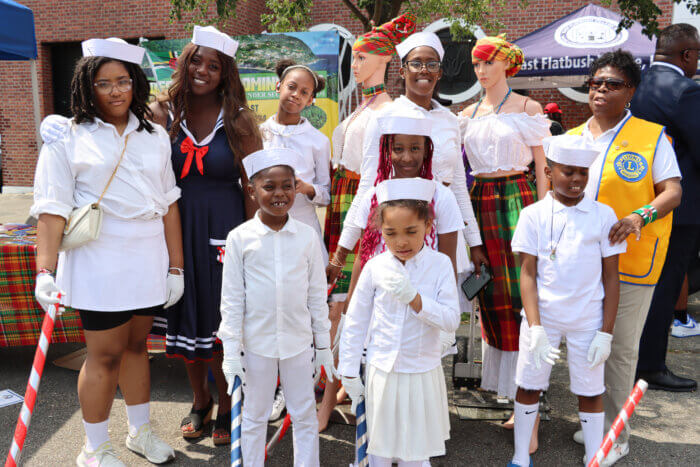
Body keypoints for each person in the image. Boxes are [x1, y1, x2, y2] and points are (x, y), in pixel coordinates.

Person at [38, 26, 263, 445]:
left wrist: (254, 243)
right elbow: (102, 128)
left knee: (221, 323)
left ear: (226, 73)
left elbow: (252, 187)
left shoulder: (238, 121)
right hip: (169, 235)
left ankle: (230, 405)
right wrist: (57, 123)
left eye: (214, 65)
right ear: (183, 62)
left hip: (218, 232)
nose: (202, 70)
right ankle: (199, 401)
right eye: (196, 60)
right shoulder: (161, 115)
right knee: (184, 323)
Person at [32, 38, 182, 466]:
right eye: (104, 83)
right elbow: (52, 209)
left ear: (135, 82)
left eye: (123, 81)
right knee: (105, 354)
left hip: (147, 256)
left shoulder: (153, 136)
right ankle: (94, 447)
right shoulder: (67, 136)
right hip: (99, 260)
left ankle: (140, 432)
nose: (116, 91)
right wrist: (46, 271)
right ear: (87, 87)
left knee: (138, 347)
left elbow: (169, 202)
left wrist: (176, 267)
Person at [567, 50, 682, 465]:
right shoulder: (574, 136)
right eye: (596, 82)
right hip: (582, 262)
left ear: (630, 91)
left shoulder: (652, 136)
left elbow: (672, 190)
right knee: (585, 344)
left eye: (612, 84)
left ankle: (616, 435)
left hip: (633, 260)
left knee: (617, 350)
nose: (600, 89)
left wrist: (639, 215)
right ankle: (593, 420)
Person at [321, 13, 415, 431]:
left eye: (360, 59)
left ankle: (333, 390)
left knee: (348, 301)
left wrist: (351, 236)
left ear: (382, 60)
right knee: (334, 301)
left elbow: (375, 173)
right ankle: (337, 380)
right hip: (342, 199)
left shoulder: (389, 109)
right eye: (354, 59)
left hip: (363, 205)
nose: (354, 66)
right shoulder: (362, 106)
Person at [508, 135, 625, 467]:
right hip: (542, 317)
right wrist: (535, 328)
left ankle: (594, 454)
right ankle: (520, 456)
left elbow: (611, 277)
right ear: (548, 172)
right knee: (529, 384)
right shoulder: (533, 215)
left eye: (583, 173)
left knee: (590, 390)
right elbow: (527, 274)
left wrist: (606, 331)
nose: (576, 180)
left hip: (587, 319)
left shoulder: (603, 215)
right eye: (568, 172)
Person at [218, 147, 336, 467]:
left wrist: (323, 345)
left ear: (296, 187)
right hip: (256, 345)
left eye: (287, 185)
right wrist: (231, 352)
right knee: (254, 417)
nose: (280, 193)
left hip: (299, 344)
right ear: (252, 190)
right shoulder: (240, 239)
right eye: (269, 187)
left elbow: (315, 296)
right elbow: (231, 300)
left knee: (304, 416)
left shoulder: (307, 237)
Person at [459, 34, 550, 430]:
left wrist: (546, 216)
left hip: (519, 197)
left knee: (522, 292)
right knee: (491, 292)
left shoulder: (528, 108)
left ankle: (530, 396)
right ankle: (514, 392)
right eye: (477, 65)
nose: (481, 71)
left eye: (488, 63)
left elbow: (544, 167)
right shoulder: (465, 114)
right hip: (479, 200)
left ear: (506, 65)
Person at [339, 178, 461, 466]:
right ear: (381, 232)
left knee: (415, 450)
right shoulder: (375, 266)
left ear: (428, 227)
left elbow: (451, 318)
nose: (401, 242)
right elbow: (356, 321)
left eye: (411, 231)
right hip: (382, 370)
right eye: (391, 233)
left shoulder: (440, 264)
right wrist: (348, 369)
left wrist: (417, 300)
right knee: (378, 446)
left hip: (421, 371)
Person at [630, 23, 700, 390]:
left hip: (632, 201)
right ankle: (651, 365)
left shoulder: (631, 83)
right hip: (678, 206)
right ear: (687, 54)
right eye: (697, 56)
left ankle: (631, 358)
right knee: (664, 284)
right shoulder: (686, 91)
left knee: (635, 282)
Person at [260, 59, 330, 261]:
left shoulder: (318, 141)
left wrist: (306, 188)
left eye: (304, 92)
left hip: (304, 229)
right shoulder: (258, 134)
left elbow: (326, 194)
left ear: (310, 101)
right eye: (291, 87)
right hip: (265, 229)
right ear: (278, 86)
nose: (296, 95)